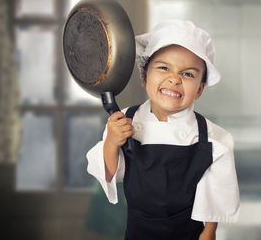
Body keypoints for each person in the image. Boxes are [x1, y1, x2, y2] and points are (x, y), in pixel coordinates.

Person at [86, 20, 240, 240]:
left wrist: (209, 231)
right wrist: (111, 142)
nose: (174, 79)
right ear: (144, 76)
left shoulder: (213, 138)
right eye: (163, 67)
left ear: (199, 90)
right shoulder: (124, 121)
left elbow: (214, 194)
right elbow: (110, 174)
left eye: (188, 74)